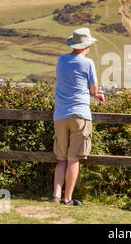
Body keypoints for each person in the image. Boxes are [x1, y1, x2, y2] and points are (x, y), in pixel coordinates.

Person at [51, 28, 105, 206]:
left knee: (61, 158)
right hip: (80, 115)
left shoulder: (61, 60)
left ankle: (56, 195)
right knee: (74, 159)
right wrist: (97, 96)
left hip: (60, 115)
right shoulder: (87, 63)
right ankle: (67, 199)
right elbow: (93, 90)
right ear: (86, 45)